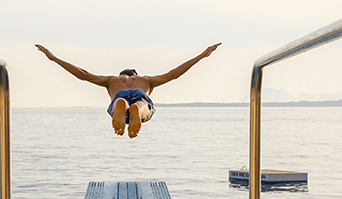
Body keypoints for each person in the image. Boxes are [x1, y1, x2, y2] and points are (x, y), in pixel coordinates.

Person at [35, 43, 221, 138]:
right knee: (142, 105)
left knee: (117, 103)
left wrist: (53, 58)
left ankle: (120, 106)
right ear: (135, 74)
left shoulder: (112, 80)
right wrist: (202, 55)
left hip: (119, 95)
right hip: (141, 95)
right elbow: (173, 74)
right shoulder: (145, 80)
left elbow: (83, 74)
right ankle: (137, 113)